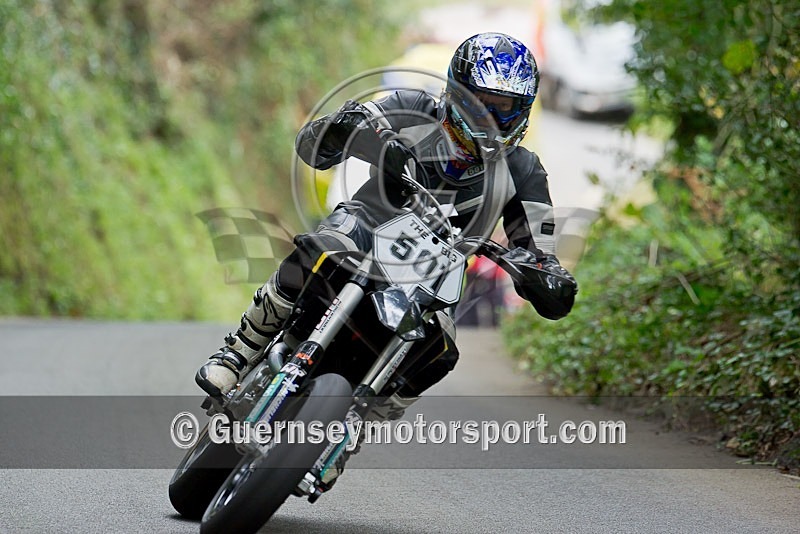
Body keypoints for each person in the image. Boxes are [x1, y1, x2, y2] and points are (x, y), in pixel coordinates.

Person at [196, 32, 578, 415]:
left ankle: (358, 427)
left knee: (441, 349)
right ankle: (237, 353)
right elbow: (319, 142)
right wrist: (353, 130)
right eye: (482, 103)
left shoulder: (523, 170)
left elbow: (539, 250)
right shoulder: (412, 107)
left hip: (433, 278)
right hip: (364, 229)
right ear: (457, 93)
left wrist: (548, 278)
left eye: (504, 106)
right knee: (319, 249)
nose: (492, 116)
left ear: (523, 108)